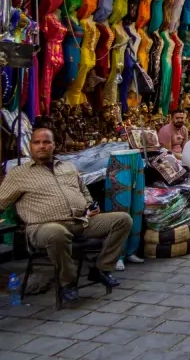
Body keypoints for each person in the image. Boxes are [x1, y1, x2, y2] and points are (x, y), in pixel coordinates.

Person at [0, 128, 132, 304]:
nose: (41, 146)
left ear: (54, 145)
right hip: (43, 228)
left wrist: (89, 207)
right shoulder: (18, 174)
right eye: (37, 142)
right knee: (57, 233)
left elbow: (84, 191)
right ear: (30, 146)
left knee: (123, 220)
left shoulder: (67, 167)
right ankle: (67, 283)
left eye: (46, 142)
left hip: (80, 221)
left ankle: (101, 269)